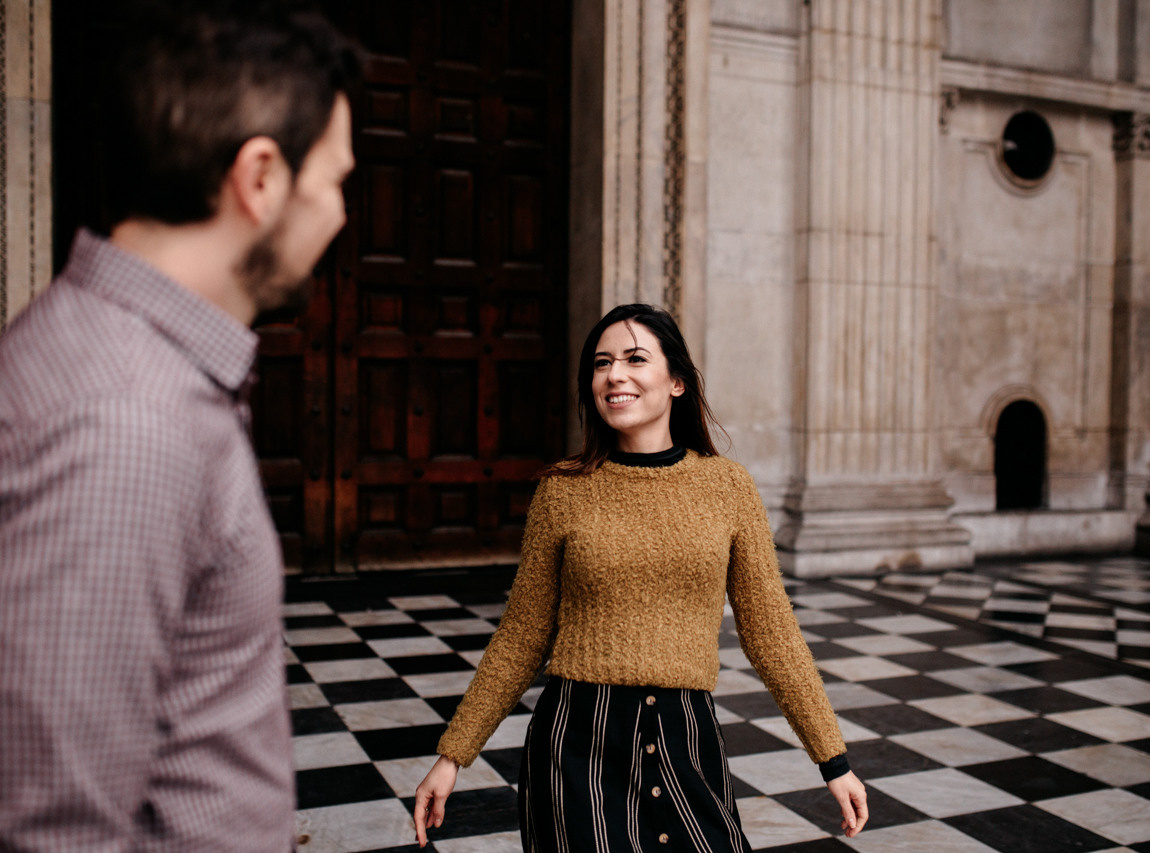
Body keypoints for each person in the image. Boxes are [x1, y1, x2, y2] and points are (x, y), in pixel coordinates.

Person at [0, 3, 359, 849]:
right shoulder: (125, 421)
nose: (340, 214)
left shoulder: (126, 362)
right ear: (260, 178)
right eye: (333, 181)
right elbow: (57, 827)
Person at [412, 304, 869, 850]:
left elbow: (771, 633)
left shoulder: (728, 487)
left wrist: (832, 760)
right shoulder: (563, 490)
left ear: (677, 381)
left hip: (685, 737)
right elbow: (522, 635)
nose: (614, 375)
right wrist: (453, 756)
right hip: (576, 746)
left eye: (634, 359)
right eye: (602, 363)